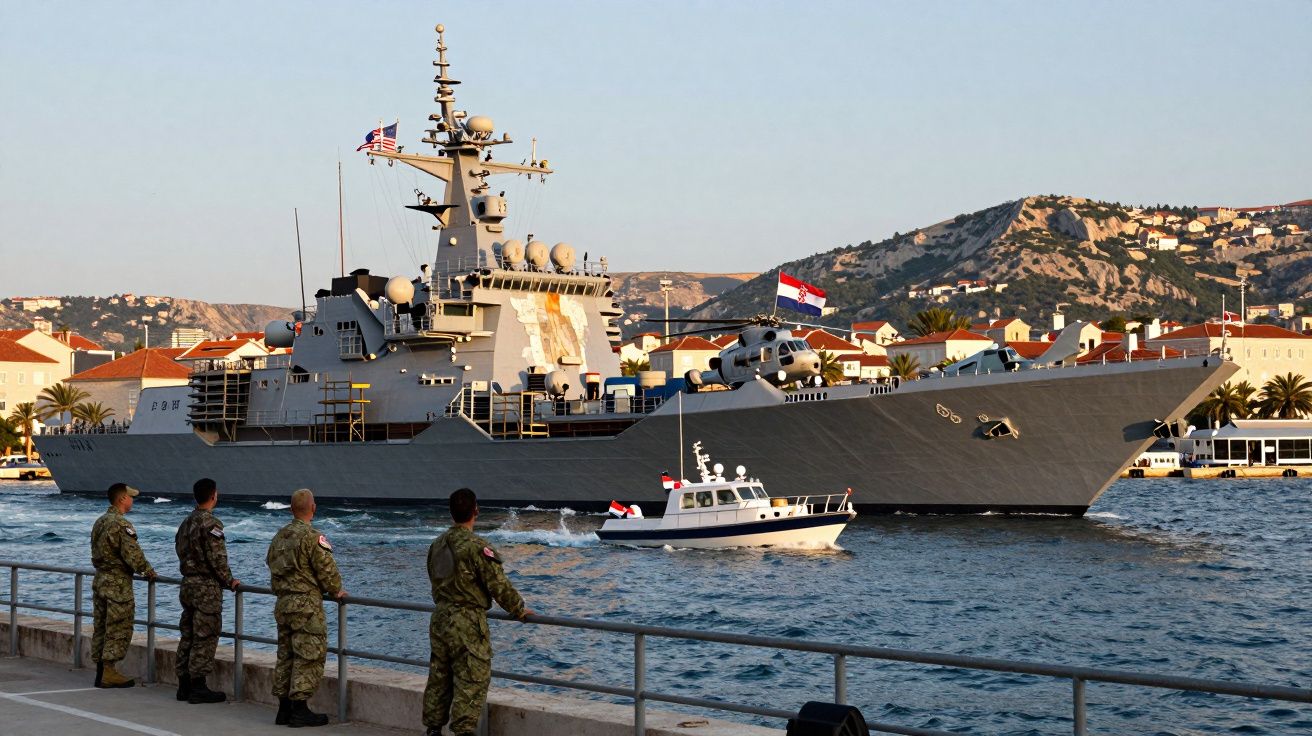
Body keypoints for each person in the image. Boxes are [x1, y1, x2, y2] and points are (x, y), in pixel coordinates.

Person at [423, 488, 533, 736]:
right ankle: (464, 731)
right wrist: (518, 609)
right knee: (472, 679)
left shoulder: (437, 545)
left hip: (440, 618)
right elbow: (498, 585)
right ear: (476, 511)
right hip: (467, 621)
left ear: (451, 512)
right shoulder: (478, 547)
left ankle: (432, 729)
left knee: (440, 676)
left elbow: (433, 576)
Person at [266, 488, 346, 728]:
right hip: (306, 607)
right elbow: (328, 571)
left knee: (286, 655)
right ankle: (300, 710)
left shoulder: (279, 536)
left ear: (291, 509)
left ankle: (283, 710)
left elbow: (271, 564)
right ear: (313, 508)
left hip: (283, 604)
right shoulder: (313, 537)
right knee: (309, 655)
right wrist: (335, 590)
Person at [174, 477, 241, 704]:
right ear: (213, 496)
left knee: (188, 634)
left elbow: (180, 550)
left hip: (188, 585)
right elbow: (217, 558)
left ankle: (183, 685)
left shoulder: (186, 523)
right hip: (206, 588)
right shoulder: (212, 524)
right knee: (205, 636)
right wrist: (229, 580)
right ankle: (198, 687)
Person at [90, 482, 156, 688]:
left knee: (101, 626)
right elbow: (132, 553)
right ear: (122, 499)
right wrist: (148, 571)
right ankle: (109, 672)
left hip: (100, 580)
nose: (132, 500)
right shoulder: (121, 524)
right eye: (131, 497)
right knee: (118, 627)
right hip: (117, 584)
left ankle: (101, 671)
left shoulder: (100, 521)